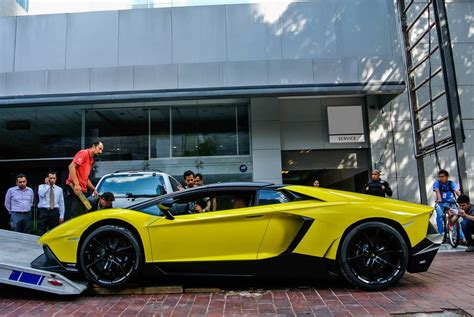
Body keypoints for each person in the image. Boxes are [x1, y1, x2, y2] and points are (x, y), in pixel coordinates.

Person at [66, 141, 104, 219]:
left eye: (102, 150)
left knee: (84, 213)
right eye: (99, 148)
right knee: (75, 216)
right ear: (93, 146)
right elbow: (71, 166)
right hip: (74, 188)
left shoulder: (91, 160)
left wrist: (93, 189)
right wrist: (76, 184)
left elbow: (85, 178)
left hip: (81, 190)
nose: (100, 152)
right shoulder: (84, 153)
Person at [433, 169, 462, 237]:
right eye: (439, 177)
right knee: (440, 217)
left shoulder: (451, 183)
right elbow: (437, 191)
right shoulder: (437, 183)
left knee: (457, 217)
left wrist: (462, 199)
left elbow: (457, 192)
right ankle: (441, 233)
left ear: (447, 176)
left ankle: (460, 236)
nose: (441, 178)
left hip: (451, 203)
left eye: (442, 176)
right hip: (441, 203)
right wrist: (439, 199)